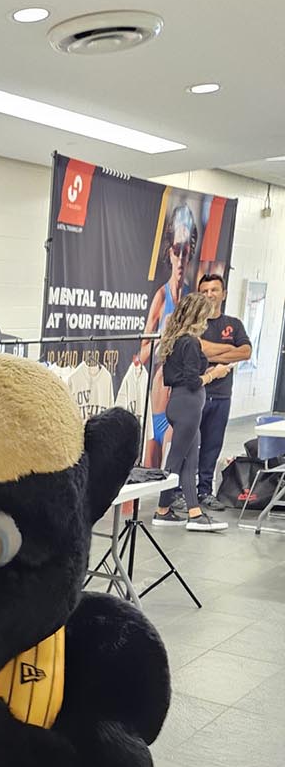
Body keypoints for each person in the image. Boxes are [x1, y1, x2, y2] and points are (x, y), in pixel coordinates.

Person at [152, 293, 231, 532]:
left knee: (189, 461)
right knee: (176, 460)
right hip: (187, 405)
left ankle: (193, 512)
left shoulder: (176, 341)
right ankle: (162, 509)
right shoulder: (190, 342)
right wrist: (213, 374)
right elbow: (192, 381)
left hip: (182, 404)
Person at [141, 203, 197, 468]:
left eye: (186, 251)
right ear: (169, 253)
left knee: (176, 464)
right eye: (177, 250)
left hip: (184, 393)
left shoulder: (193, 299)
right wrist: (163, 338)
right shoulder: (162, 297)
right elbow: (142, 354)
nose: (181, 258)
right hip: (161, 391)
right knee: (151, 463)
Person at [196, 273, 252, 509]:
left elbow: (246, 352)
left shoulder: (233, 324)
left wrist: (212, 352)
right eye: (205, 291)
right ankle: (178, 492)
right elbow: (199, 349)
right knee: (188, 447)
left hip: (221, 396)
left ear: (224, 294)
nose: (209, 294)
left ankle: (204, 492)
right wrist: (229, 350)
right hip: (195, 394)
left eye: (214, 290)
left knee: (212, 446)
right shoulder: (193, 324)